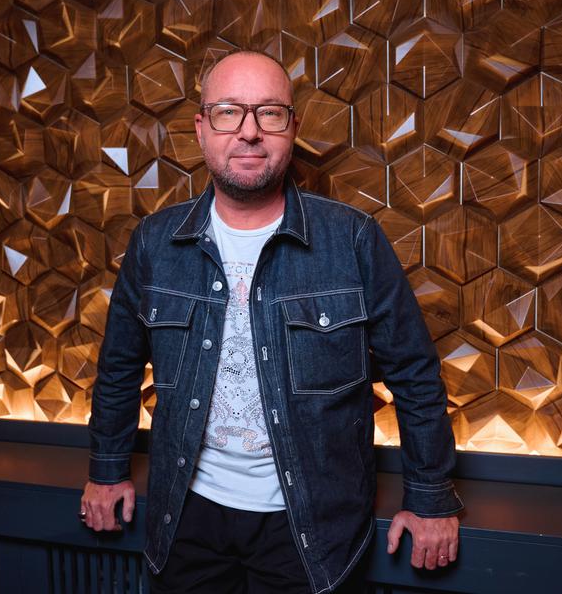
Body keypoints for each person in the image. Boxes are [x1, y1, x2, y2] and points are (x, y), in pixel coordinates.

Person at [80, 50, 463, 594]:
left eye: (269, 113)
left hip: (313, 528)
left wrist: (429, 499)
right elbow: (119, 367)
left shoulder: (353, 239)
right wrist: (107, 469)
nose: (249, 131)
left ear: (292, 128)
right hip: (186, 520)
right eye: (228, 112)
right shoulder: (154, 242)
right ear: (202, 128)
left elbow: (415, 374)